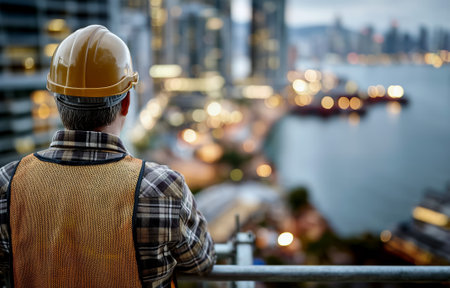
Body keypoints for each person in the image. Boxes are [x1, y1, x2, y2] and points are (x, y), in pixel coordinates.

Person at [0, 24, 215, 288]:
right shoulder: (161, 186)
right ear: (125, 102)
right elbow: (201, 262)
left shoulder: (8, 183)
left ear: (57, 103)